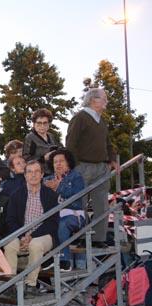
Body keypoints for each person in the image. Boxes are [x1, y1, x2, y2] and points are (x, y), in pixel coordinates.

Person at [67, 87, 117, 248]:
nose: (106, 101)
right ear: (93, 100)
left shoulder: (101, 121)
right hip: (83, 166)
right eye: (104, 98)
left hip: (102, 167)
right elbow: (70, 143)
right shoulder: (80, 117)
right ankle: (81, 236)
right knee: (79, 203)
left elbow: (108, 143)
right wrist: (76, 166)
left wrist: (113, 160)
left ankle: (99, 238)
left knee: (102, 204)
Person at [5, 161, 59, 298]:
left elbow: (52, 223)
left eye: (36, 171)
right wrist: (22, 236)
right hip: (22, 235)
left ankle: (31, 285)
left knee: (35, 245)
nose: (33, 175)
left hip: (44, 235)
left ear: (42, 174)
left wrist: (32, 236)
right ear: (25, 175)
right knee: (9, 245)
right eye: (29, 171)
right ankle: (10, 284)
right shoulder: (16, 195)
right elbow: (10, 220)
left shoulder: (51, 195)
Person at [44, 149, 85, 271]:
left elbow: (76, 196)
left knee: (61, 223)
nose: (58, 164)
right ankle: (48, 258)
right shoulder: (47, 180)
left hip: (74, 215)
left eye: (61, 161)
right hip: (54, 215)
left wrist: (58, 187)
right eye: (55, 162)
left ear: (68, 162)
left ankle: (65, 261)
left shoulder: (76, 177)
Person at [23, 108, 63, 176]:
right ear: (34, 124)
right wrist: (43, 158)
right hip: (39, 174)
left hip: (54, 172)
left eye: (45, 123)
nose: (42, 126)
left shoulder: (51, 136)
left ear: (49, 124)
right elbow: (26, 158)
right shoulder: (30, 137)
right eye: (39, 123)